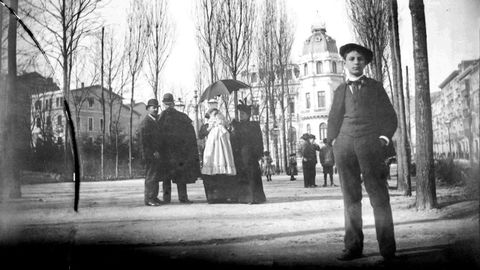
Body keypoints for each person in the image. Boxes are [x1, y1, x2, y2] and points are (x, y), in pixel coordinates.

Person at [326, 43, 397, 261]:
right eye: (351, 59)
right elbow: (333, 120)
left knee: (379, 197)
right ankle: (353, 247)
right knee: (351, 199)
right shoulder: (340, 90)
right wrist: (334, 143)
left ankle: (387, 249)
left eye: (360, 59)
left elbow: (390, 117)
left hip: (371, 148)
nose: (356, 62)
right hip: (345, 149)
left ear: (365, 63)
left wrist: (383, 140)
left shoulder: (375, 88)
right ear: (345, 63)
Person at [157, 93, 201, 204]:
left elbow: (157, 136)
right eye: (167, 104)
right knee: (180, 176)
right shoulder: (182, 117)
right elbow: (190, 135)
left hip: (167, 153)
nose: (168, 106)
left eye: (168, 104)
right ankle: (183, 197)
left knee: (167, 177)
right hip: (178, 153)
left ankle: (167, 199)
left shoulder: (160, 118)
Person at [230, 98, 267, 204]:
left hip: (250, 155)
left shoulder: (253, 125)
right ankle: (244, 198)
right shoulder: (236, 125)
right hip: (239, 155)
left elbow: (259, 140)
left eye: (243, 113)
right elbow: (233, 140)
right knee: (242, 175)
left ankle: (255, 198)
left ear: (248, 115)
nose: (241, 115)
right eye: (240, 113)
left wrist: (259, 153)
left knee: (252, 175)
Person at [139, 99, 163, 206]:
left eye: (157, 107)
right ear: (148, 109)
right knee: (151, 176)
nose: (156, 109)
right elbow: (144, 142)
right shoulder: (146, 123)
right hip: (150, 154)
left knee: (156, 176)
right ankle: (149, 199)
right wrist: (153, 152)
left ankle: (154, 196)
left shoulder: (154, 121)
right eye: (153, 107)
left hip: (156, 154)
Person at [201, 109, 236, 176]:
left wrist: (227, 126)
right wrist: (209, 128)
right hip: (212, 152)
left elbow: (232, 134)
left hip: (223, 151)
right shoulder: (208, 126)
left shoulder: (224, 127)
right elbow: (201, 135)